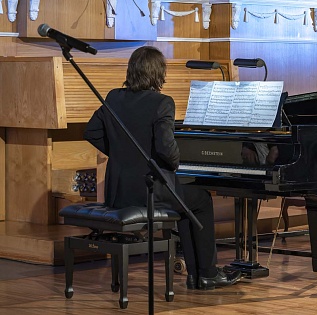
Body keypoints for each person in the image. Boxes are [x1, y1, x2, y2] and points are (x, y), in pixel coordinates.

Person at [84, 46, 242, 289]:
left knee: (186, 202)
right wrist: (175, 162)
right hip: (150, 193)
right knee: (200, 200)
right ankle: (207, 273)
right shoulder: (162, 103)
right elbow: (167, 151)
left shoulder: (114, 97)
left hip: (118, 194)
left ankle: (196, 275)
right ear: (158, 73)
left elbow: (91, 131)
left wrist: (121, 154)